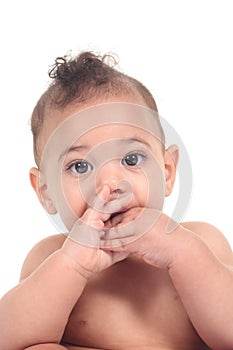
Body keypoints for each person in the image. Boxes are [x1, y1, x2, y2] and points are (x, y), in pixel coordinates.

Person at [0, 51, 233, 350]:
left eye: (131, 159)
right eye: (80, 166)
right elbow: (7, 340)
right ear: (46, 193)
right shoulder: (49, 257)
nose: (110, 184)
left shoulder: (202, 241)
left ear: (167, 172)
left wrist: (185, 254)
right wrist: (72, 265)